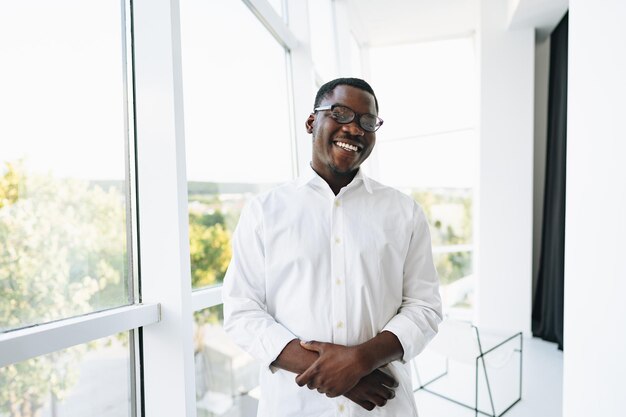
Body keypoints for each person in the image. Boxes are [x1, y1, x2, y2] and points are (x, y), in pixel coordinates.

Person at [223, 77, 442, 416]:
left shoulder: (404, 212)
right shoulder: (264, 211)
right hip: (295, 407)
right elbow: (242, 311)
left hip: (381, 407)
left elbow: (424, 307)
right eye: (340, 114)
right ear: (312, 122)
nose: (354, 129)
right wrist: (341, 373)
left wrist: (361, 360)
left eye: (367, 122)